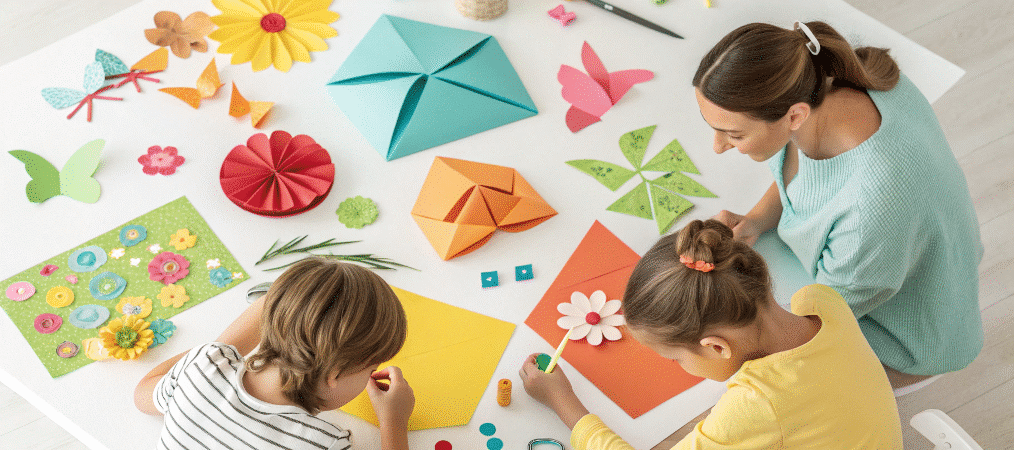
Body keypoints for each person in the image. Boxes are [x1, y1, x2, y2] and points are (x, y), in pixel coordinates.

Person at [694, 21, 983, 391]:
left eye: (735, 135)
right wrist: (757, 219)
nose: (717, 147)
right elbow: (804, 174)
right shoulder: (826, 87)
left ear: (794, 116)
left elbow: (819, 323)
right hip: (883, 269)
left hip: (901, 336)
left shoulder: (870, 210)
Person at [519, 219, 903, 449]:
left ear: (716, 346)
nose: (677, 367)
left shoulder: (758, 404)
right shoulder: (821, 301)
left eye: (675, 358)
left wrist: (565, 405)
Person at [134, 258, 414, 450]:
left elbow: (143, 397)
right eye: (369, 368)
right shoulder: (320, 442)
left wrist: (285, 308)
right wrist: (394, 420)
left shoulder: (201, 369)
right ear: (334, 374)